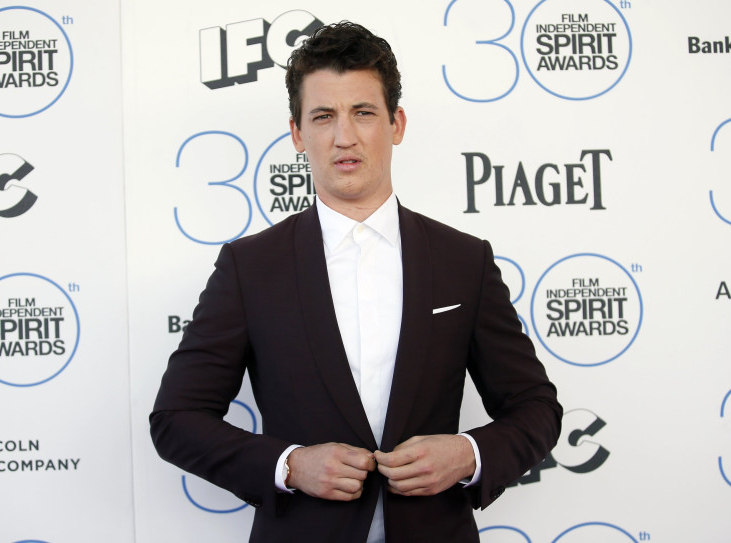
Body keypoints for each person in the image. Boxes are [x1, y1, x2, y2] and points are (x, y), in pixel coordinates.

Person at [150, 21, 561, 543]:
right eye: (323, 116)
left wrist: (467, 454)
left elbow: (536, 408)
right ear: (298, 134)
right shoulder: (249, 268)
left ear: (397, 123)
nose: (344, 136)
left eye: (363, 112)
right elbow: (176, 418)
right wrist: (290, 465)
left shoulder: (464, 260)